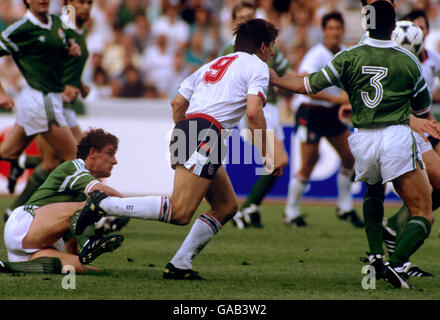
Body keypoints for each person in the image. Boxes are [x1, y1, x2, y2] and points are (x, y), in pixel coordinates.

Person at [72, 18, 283, 280]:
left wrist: (186, 134)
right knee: (180, 211)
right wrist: (268, 153)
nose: (273, 52)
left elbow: (176, 104)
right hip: (208, 134)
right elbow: (253, 112)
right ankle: (105, 204)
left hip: (189, 128)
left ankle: (180, 264)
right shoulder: (257, 67)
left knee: (226, 206)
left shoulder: (212, 65)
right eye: (272, 46)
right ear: (262, 46)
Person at [269, 1, 434, 289]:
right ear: (394, 27)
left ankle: (374, 256)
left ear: (366, 24)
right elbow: (421, 111)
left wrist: (275, 79)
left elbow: (308, 85)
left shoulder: (349, 56)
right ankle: (396, 265)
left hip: (362, 137)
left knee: (373, 193)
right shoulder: (409, 61)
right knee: (423, 211)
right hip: (394, 135)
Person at [2, 128, 125, 274]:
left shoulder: (84, 184)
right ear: (92, 153)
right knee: (94, 203)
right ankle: (89, 242)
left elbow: (72, 226)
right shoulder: (74, 166)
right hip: (26, 224)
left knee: (74, 266)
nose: (115, 161)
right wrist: (130, 204)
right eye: (110, 153)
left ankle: (7, 266)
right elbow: (99, 191)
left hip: (36, 243)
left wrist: (74, 256)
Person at [283, 11, 363, 228]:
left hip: (330, 112)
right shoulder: (316, 54)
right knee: (309, 162)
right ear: (323, 31)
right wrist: (336, 99)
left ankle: (345, 206)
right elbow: (304, 84)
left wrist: (347, 100)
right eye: (331, 28)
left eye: (338, 28)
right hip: (310, 112)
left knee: (349, 156)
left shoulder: (346, 53)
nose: (335, 32)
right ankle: (291, 211)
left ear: (342, 30)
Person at [0, 0, 80, 207]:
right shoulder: (21, 29)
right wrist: (1, 93)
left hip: (44, 98)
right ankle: (90, 222)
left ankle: (22, 166)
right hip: (41, 100)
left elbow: (63, 43)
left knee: (7, 153)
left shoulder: (56, 22)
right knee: (75, 160)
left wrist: (71, 49)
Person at [220, 1, 289, 229]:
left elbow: (283, 75)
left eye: (251, 17)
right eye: (243, 18)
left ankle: (252, 208)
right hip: (255, 109)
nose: (248, 22)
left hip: (272, 107)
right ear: (234, 22)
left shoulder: (268, 46)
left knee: (276, 166)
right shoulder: (229, 51)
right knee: (278, 161)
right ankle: (247, 208)